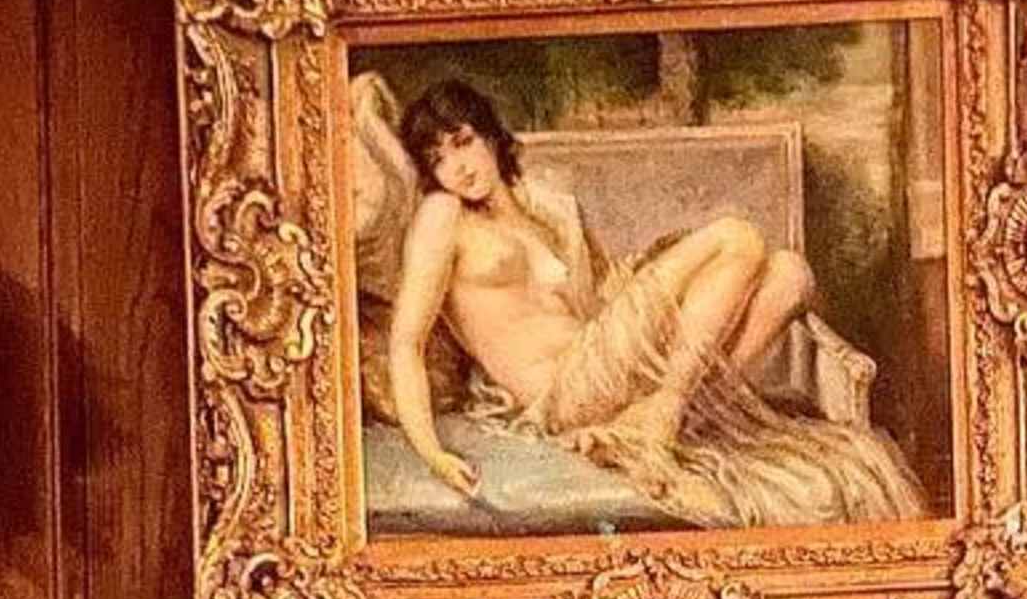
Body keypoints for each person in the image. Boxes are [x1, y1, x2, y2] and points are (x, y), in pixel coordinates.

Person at [374, 80, 923, 530]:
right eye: (438, 158)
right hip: (563, 390)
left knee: (791, 274)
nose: (457, 167)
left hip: (609, 373)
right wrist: (432, 451)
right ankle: (668, 406)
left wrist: (659, 278)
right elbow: (406, 343)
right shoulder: (443, 218)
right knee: (737, 236)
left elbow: (605, 297)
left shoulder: (548, 209)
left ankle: (657, 413)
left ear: (490, 136)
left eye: (463, 142)